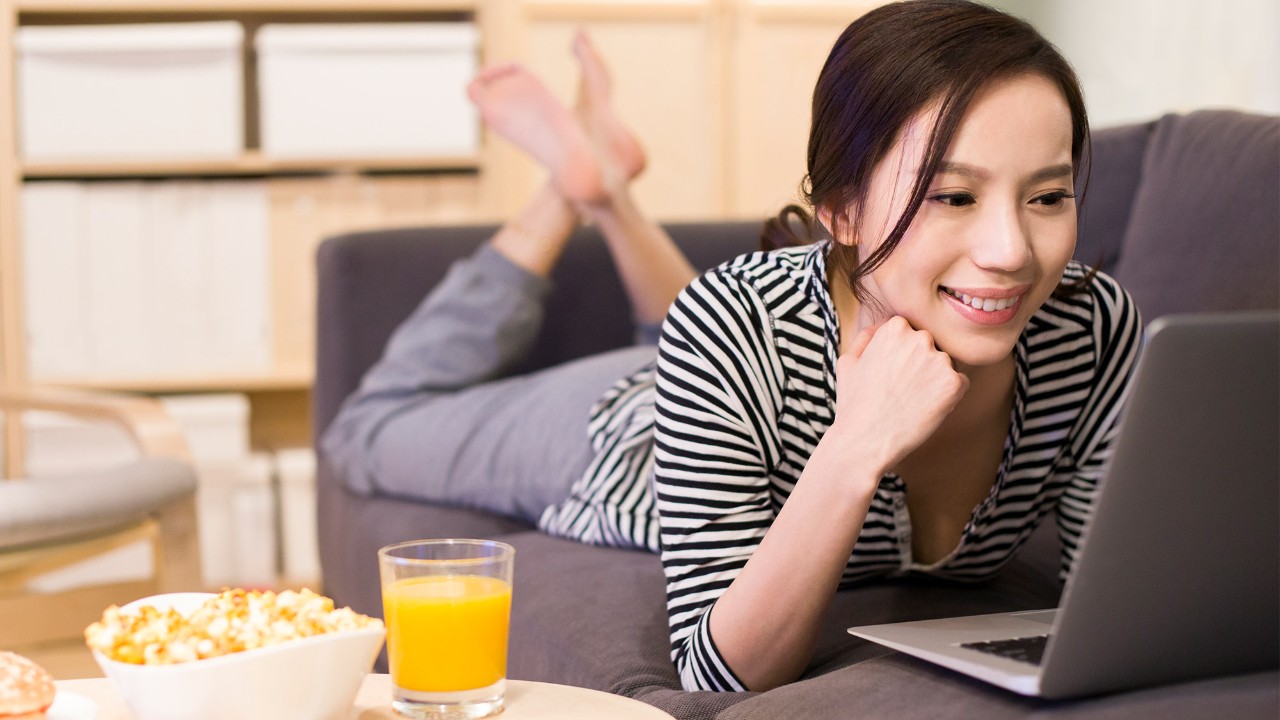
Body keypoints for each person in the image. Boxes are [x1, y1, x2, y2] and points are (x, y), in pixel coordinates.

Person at [322, 0, 1142, 696]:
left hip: (724, 370)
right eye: (955, 195)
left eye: (1048, 195)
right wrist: (854, 447)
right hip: (625, 437)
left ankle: (606, 191)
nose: (1011, 251)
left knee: (708, 335)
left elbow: (1124, 606)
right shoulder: (729, 324)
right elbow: (717, 675)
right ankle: (566, 194)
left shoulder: (1091, 330)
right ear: (842, 213)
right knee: (368, 430)